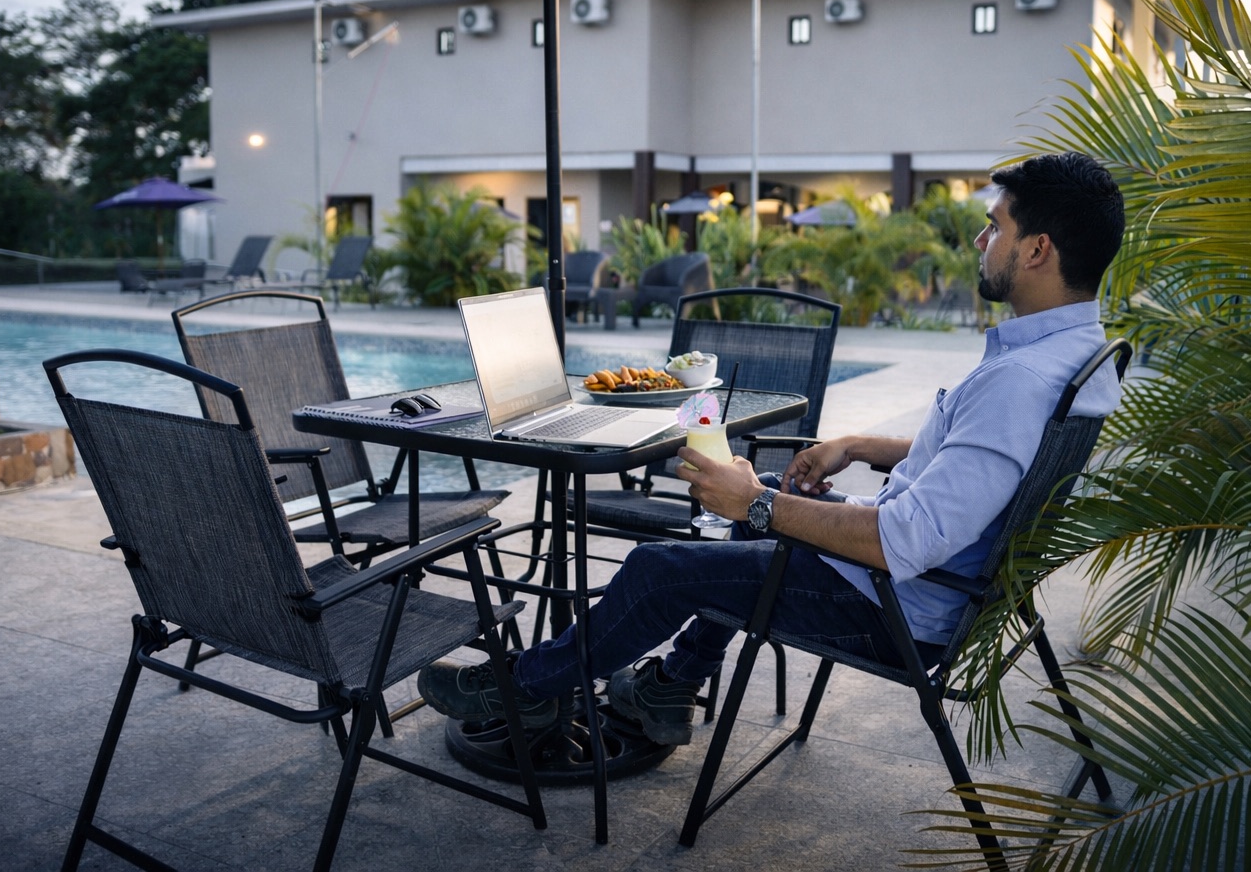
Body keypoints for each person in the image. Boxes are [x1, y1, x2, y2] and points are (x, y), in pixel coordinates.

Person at [418, 151, 1127, 746]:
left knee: (661, 568)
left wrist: (757, 505)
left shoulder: (1019, 379)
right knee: (744, 488)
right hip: (930, 589)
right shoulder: (1072, 354)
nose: (981, 241)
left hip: (894, 607)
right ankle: (670, 687)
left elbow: (903, 541)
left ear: (1038, 249)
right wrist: (851, 445)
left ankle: (527, 691)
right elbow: (981, 461)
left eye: (994, 226)